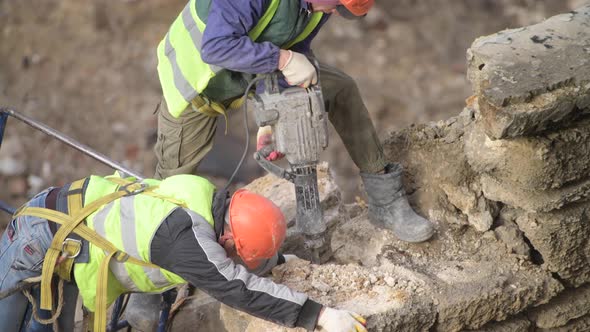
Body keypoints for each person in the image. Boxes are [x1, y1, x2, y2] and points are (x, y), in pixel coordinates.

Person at [154, 0, 434, 243]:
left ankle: (386, 201)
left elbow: (294, 44)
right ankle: (152, 279)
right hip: (194, 86)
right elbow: (216, 47)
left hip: (245, 76)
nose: (335, 13)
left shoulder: (320, 7)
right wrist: (284, 59)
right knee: (172, 185)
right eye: (338, 5)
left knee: (341, 88)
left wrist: (273, 115)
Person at [0, 173, 367, 332]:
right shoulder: (184, 239)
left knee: (46, 324)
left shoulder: (204, 196)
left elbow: (231, 259)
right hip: (38, 240)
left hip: (67, 228)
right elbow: (234, 286)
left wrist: (280, 261)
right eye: (237, 252)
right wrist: (317, 314)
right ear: (227, 239)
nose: (235, 259)